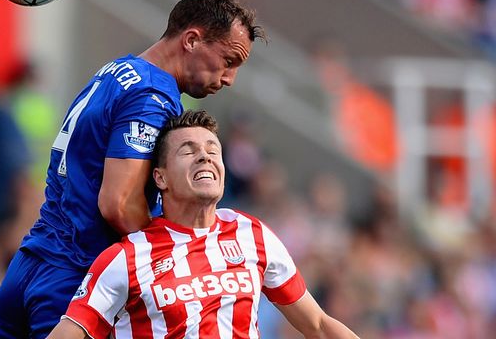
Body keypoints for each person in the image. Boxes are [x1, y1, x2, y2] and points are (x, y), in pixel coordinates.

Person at [0, 0, 265, 338]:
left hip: (32, 262)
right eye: (228, 61)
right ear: (192, 40)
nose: (228, 79)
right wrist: (176, 263)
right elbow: (118, 204)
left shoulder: (119, 71)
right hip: (76, 279)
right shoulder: (152, 97)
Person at [48, 110, 359, 338]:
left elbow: (317, 324)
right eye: (189, 151)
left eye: (213, 150)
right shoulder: (125, 258)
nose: (205, 157)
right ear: (161, 177)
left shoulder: (253, 235)